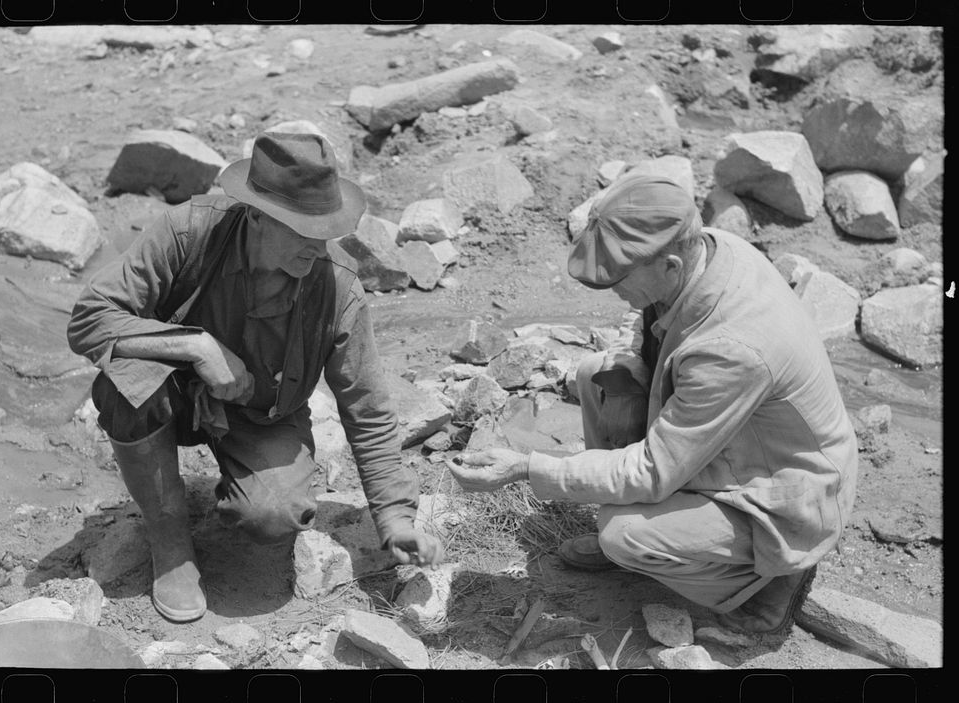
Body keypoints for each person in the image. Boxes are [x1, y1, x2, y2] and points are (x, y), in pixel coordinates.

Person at [450, 174, 858, 636]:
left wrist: (526, 467)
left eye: (618, 279)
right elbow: (658, 329)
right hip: (732, 442)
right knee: (599, 378)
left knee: (622, 534)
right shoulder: (705, 248)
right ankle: (670, 536)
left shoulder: (731, 348)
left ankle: (768, 582)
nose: (612, 291)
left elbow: (651, 471)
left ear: (668, 265)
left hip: (781, 497)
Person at [68, 132, 443, 623]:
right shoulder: (188, 232)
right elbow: (88, 319)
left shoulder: (337, 287)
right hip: (172, 393)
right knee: (126, 378)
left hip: (262, 416)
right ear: (257, 215)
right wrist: (195, 344)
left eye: (324, 230)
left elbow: (367, 409)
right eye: (302, 230)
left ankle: (229, 491)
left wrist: (395, 519)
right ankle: (170, 538)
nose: (317, 246)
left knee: (273, 515)